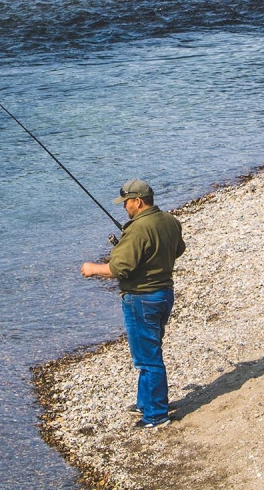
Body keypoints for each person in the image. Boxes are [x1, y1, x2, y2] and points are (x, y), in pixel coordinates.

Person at [81, 179, 185, 429]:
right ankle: (145, 403)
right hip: (163, 295)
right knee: (149, 351)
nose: (125, 207)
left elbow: (119, 268)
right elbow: (178, 249)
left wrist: (92, 269)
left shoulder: (138, 229)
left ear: (138, 201)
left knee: (148, 359)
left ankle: (156, 415)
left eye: (126, 202)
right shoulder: (169, 220)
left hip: (142, 299)